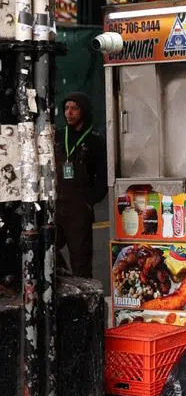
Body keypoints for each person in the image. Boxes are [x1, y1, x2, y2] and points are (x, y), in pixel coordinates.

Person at [55, 91, 107, 278]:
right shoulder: (58, 136)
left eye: (74, 108)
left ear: (83, 111)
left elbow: (102, 177)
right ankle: (64, 281)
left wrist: (89, 201)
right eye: (66, 108)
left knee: (81, 261)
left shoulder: (94, 141)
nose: (69, 112)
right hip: (57, 205)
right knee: (46, 248)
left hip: (79, 211)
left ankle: (83, 301)